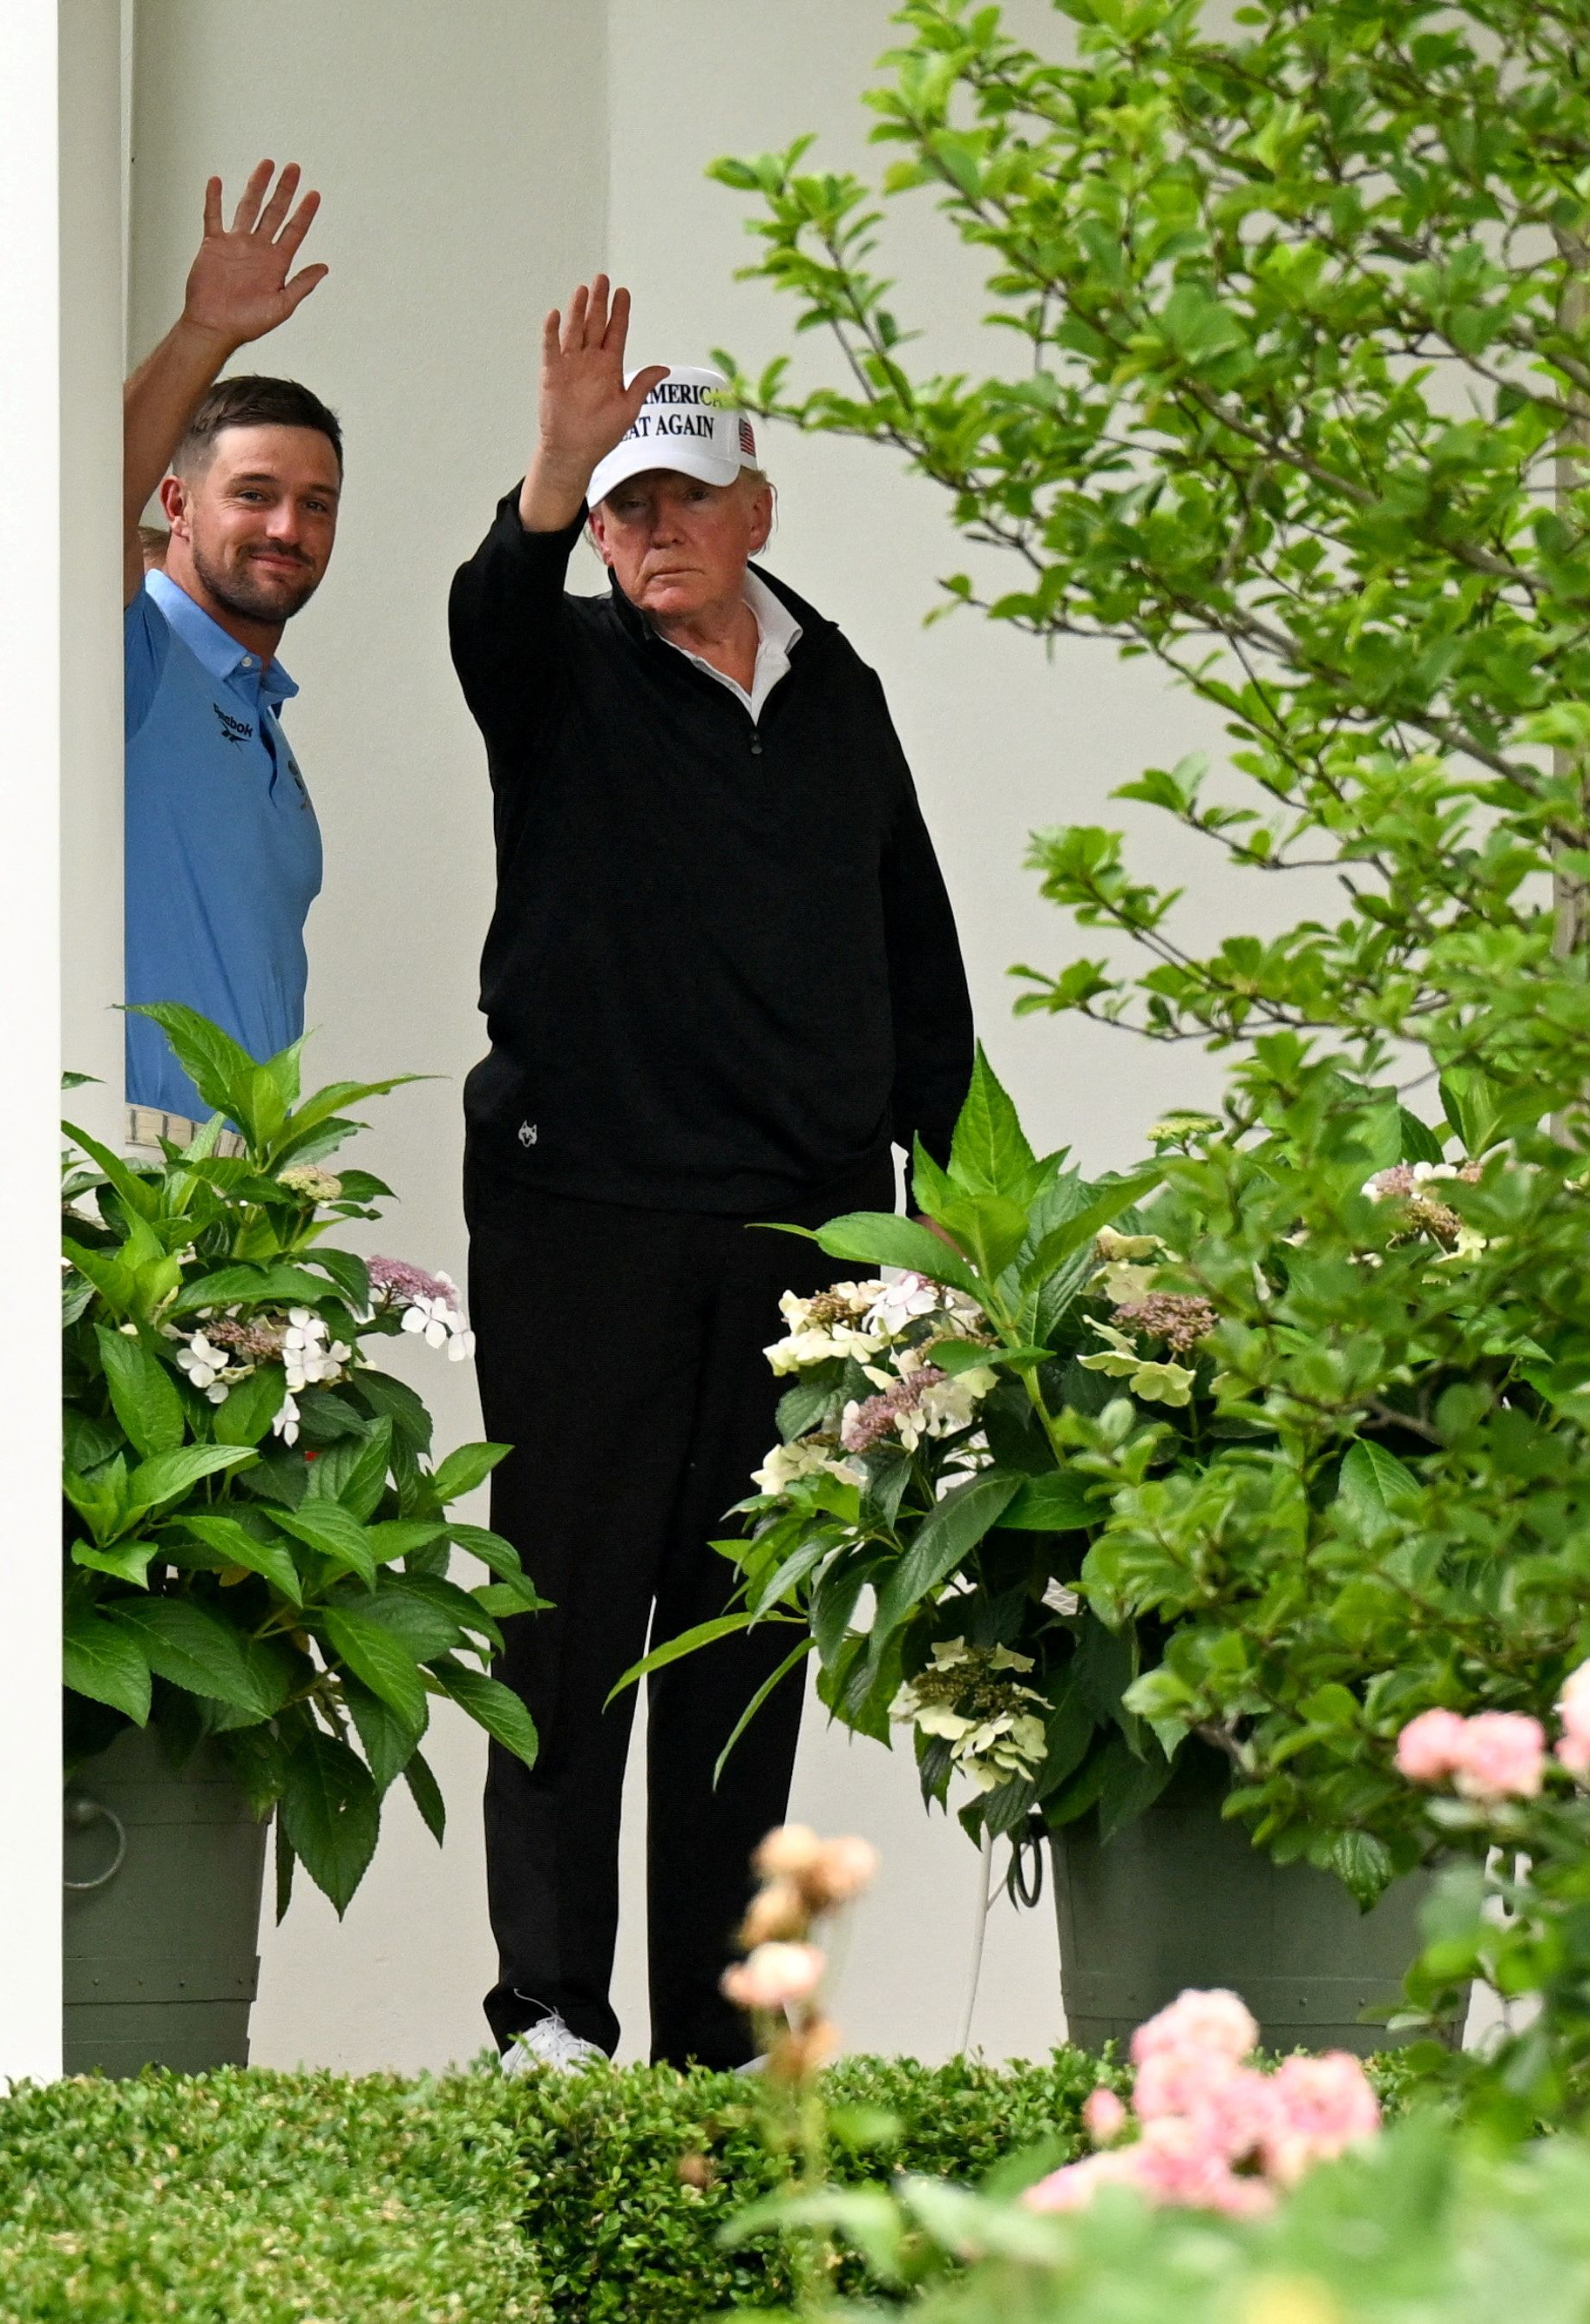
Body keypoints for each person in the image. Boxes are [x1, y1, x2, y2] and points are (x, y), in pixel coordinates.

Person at [448, 276, 976, 2070]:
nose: (645, 529)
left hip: (792, 1242)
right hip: (578, 1214)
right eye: (621, 505)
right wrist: (551, 465)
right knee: (568, 1610)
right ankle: (548, 2007)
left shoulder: (839, 689)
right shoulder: (563, 666)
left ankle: (711, 2032)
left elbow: (917, 960)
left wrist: (947, 1229)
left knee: (742, 1633)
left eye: (676, 497)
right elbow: (486, 614)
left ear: (755, 507)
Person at [120, 160, 337, 1147]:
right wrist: (204, 335)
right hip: (125, 1161)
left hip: (243, 1183)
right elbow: (71, 503)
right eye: (252, 493)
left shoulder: (261, 712)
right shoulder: (132, 649)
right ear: (178, 505)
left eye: (316, 503)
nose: (287, 526)